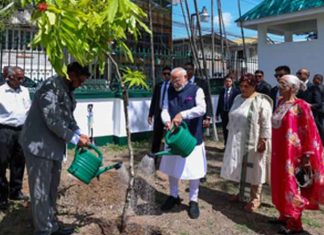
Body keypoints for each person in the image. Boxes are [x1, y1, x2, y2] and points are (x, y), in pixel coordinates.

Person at [19, 62, 91, 235]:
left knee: (51, 189)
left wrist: (80, 133)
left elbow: (68, 117)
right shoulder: (49, 88)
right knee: (40, 190)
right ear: (71, 75)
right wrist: (75, 139)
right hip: (39, 147)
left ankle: (52, 225)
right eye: (79, 81)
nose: (80, 85)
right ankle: (43, 230)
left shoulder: (66, 90)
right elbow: (53, 121)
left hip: (54, 148)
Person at [271, 74, 324, 234]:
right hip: (278, 152)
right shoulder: (280, 102)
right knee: (279, 183)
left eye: (283, 84)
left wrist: (307, 156)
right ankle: (283, 215)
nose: (280, 87)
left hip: (293, 154)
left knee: (291, 186)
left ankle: (295, 224)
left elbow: (310, 131)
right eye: (279, 83)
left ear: (293, 88)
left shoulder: (301, 105)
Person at [159, 67, 207, 219]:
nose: (174, 83)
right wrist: (167, 120)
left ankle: (193, 200)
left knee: (194, 171)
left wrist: (183, 114)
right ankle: (173, 196)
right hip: (174, 136)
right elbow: (165, 109)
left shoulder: (196, 90)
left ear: (186, 77)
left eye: (177, 79)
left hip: (192, 137)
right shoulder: (169, 90)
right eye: (172, 80)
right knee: (173, 168)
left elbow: (201, 109)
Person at [220, 73, 272, 212]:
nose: (243, 89)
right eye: (241, 86)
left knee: (255, 168)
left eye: (246, 86)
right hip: (237, 139)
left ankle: (256, 198)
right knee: (241, 167)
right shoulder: (237, 98)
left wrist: (263, 139)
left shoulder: (261, 101)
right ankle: (242, 193)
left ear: (254, 86)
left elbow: (266, 122)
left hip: (254, 140)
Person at [0, 66, 31, 210]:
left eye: (22, 77)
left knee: (19, 162)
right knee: (1, 163)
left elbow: (28, 109)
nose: (21, 80)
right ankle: (2, 196)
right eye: (19, 78)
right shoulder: (1, 91)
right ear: (10, 77)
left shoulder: (24, 91)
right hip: (4, 131)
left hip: (21, 130)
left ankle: (15, 191)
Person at [148, 66, 172, 155]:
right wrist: (151, 114)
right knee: (156, 136)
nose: (166, 76)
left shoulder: (173, 86)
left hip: (169, 114)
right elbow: (154, 100)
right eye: (164, 74)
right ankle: (154, 156)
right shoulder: (159, 86)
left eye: (168, 74)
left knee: (169, 135)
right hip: (158, 113)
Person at [184, 62, 212, 128]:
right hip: (185, 115)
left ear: (193, 70)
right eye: (185, 69)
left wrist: (208, 117)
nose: (187, 71)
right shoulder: (182, 83)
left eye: (189, 69)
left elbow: (207, 99)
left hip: (198, 115)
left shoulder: (201, 83)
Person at [216, 76, 240, 146]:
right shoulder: (222, 91)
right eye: (226, 81)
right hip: (224, 113)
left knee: (232, 129)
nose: (228, 83)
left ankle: (232, 145)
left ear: (232, 82)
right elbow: (220, 102)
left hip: (232, 113)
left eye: (229, 81)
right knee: (225, 130)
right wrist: (217, 113)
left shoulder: (236, 92)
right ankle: (226, 145)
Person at [312, 74, 324, 143]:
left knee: (320, 126)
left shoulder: (319, 88)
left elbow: (319, 102)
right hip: (319, 110)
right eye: (314, 79)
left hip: (319, 110)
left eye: (317, 79)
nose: (314, 80)